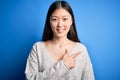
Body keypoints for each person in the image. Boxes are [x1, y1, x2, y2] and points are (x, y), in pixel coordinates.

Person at [25, 1, 95, 80]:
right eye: (55, 19)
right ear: (49, 21)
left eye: (65, 19)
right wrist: (63, 66)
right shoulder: (37, 48)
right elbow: (29, 78)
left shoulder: (81, 50)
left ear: (71, 21)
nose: (60, 24)